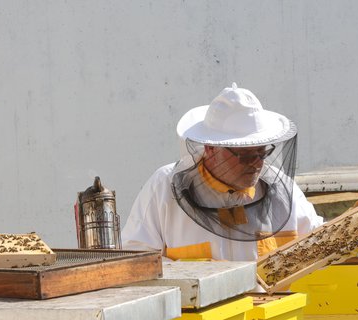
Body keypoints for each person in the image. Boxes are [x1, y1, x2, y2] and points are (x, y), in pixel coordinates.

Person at [121, 83, 323, 262]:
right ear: (210, 149)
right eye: (244, 155)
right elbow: (137, 259)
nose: (256, 163)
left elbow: (320, 242)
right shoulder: (163, 188)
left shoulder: (283, 190)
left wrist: (353, 226)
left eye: (262, 152)